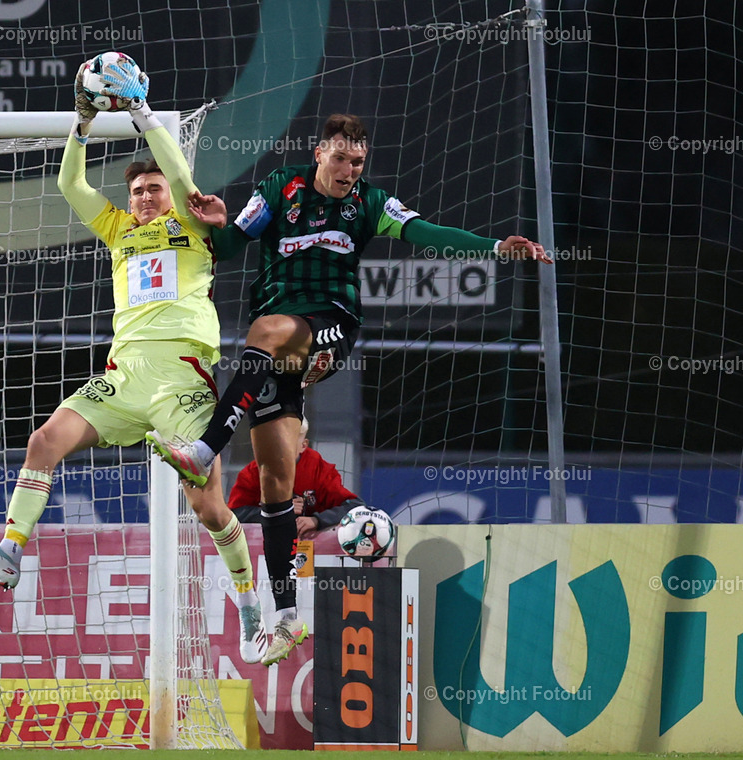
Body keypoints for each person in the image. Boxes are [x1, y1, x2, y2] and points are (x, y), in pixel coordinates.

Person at [148, 113, 553, 665]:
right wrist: (219, 225)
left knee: (265, 332)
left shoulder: (370, 204)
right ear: (319, 153)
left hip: (330, 325)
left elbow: (426, 233)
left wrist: (491, 246)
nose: (349, 171)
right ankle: (287, 616)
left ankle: (202, 452)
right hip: (273, 355)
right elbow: (230, 245)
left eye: (358, 162)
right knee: (275, 478)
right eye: (341, 159)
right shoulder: (279, 188)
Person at [0, 55, 268, 664]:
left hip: (184, 383)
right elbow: (71, 185)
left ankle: (252, 616)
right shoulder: (118, 230)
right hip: (122, 379)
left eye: (154, 189)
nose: (146, 197)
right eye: (138, 190)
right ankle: (10, 552)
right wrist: (83, 122)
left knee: (207, 508)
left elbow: (181, 175)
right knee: (44, 440)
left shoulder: (193, 225)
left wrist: (144, 117)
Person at [228, 417, 365, 664]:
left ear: (303, 445)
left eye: (289, 439)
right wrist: (274, 512)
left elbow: (354, 506)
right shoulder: (253, 472)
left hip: (317, 571)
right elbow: (233, 514)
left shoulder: (320, 469)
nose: (279, 445)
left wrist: (317, 521)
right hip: (270, 569)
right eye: (274, 439)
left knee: (315, 622)